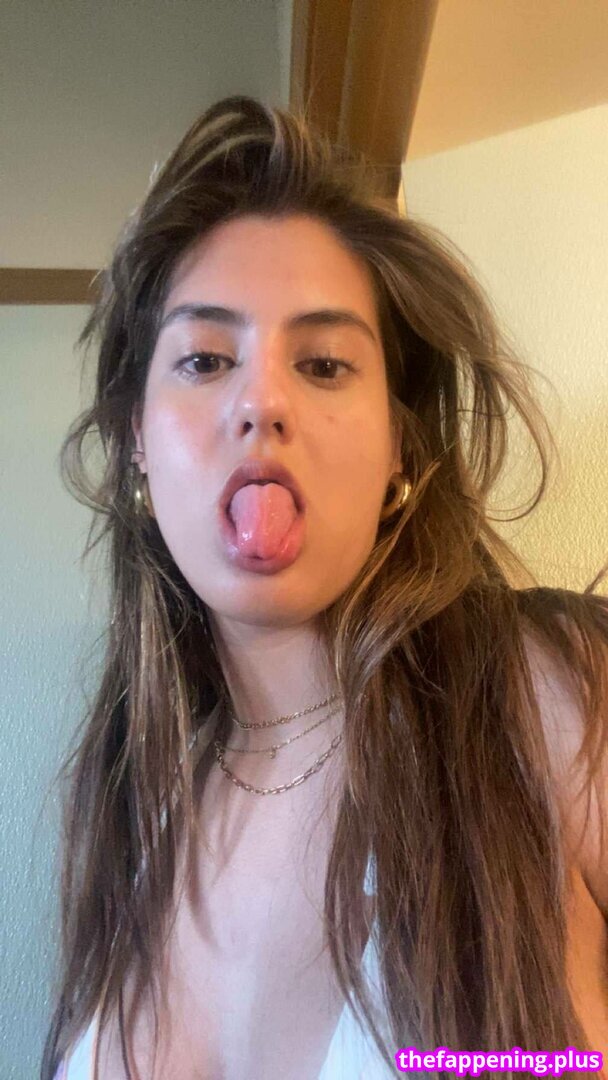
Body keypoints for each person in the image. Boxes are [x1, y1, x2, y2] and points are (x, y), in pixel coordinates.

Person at [43, 95, 608, 1080]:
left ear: (398, 446)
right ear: (138, 439)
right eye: (205, 359)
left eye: (323, 363)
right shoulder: (133, 802)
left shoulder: (551, 696)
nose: (261, 401)